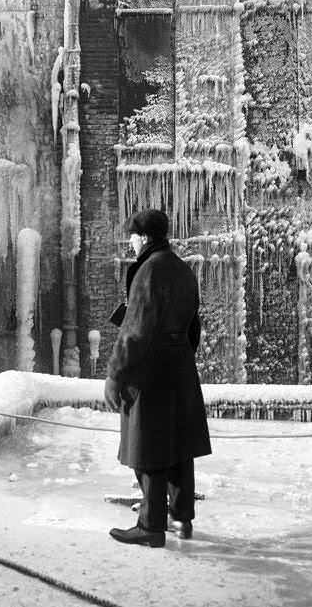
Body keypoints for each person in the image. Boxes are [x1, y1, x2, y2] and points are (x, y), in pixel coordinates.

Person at [103, 208, 211, 548]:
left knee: (148, 446)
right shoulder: (182, 269)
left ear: (145, 237)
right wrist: (180, 357)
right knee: (178, 446)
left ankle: (150, 527)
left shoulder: (148, 271)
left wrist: (115, 376)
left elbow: (135, 331)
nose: (130, 243)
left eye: (133, 237)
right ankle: (181, 519)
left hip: (150, 373)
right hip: (180, 369)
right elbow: (194, 325)